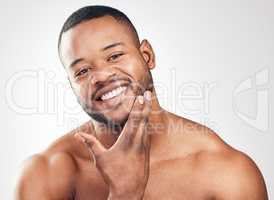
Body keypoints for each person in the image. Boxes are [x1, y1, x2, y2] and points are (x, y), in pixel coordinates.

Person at [15, 5, 268, 200]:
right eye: (82, 71)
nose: (101, 76)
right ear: (71, 85)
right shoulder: (46, 174)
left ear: (147, 56)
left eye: (114, 55)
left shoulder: (227, 172)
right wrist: (124, 195)